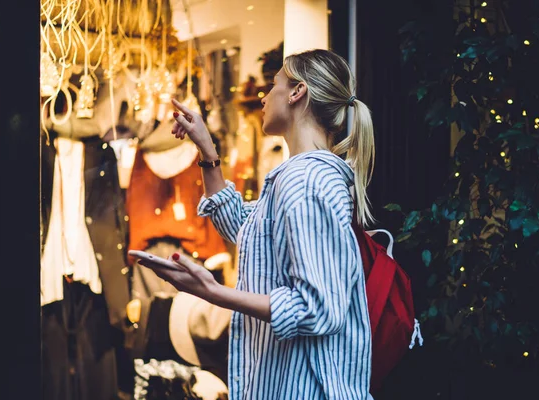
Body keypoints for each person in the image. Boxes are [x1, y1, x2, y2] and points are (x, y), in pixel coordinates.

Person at [135, 48, 376, 399]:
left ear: (297, 93)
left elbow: (319, 309)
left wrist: (212, 292)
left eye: (273, 84)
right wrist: (207, 151)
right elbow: (242, 227)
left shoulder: (305, 180)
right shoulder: (299, 177)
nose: (264, 96)